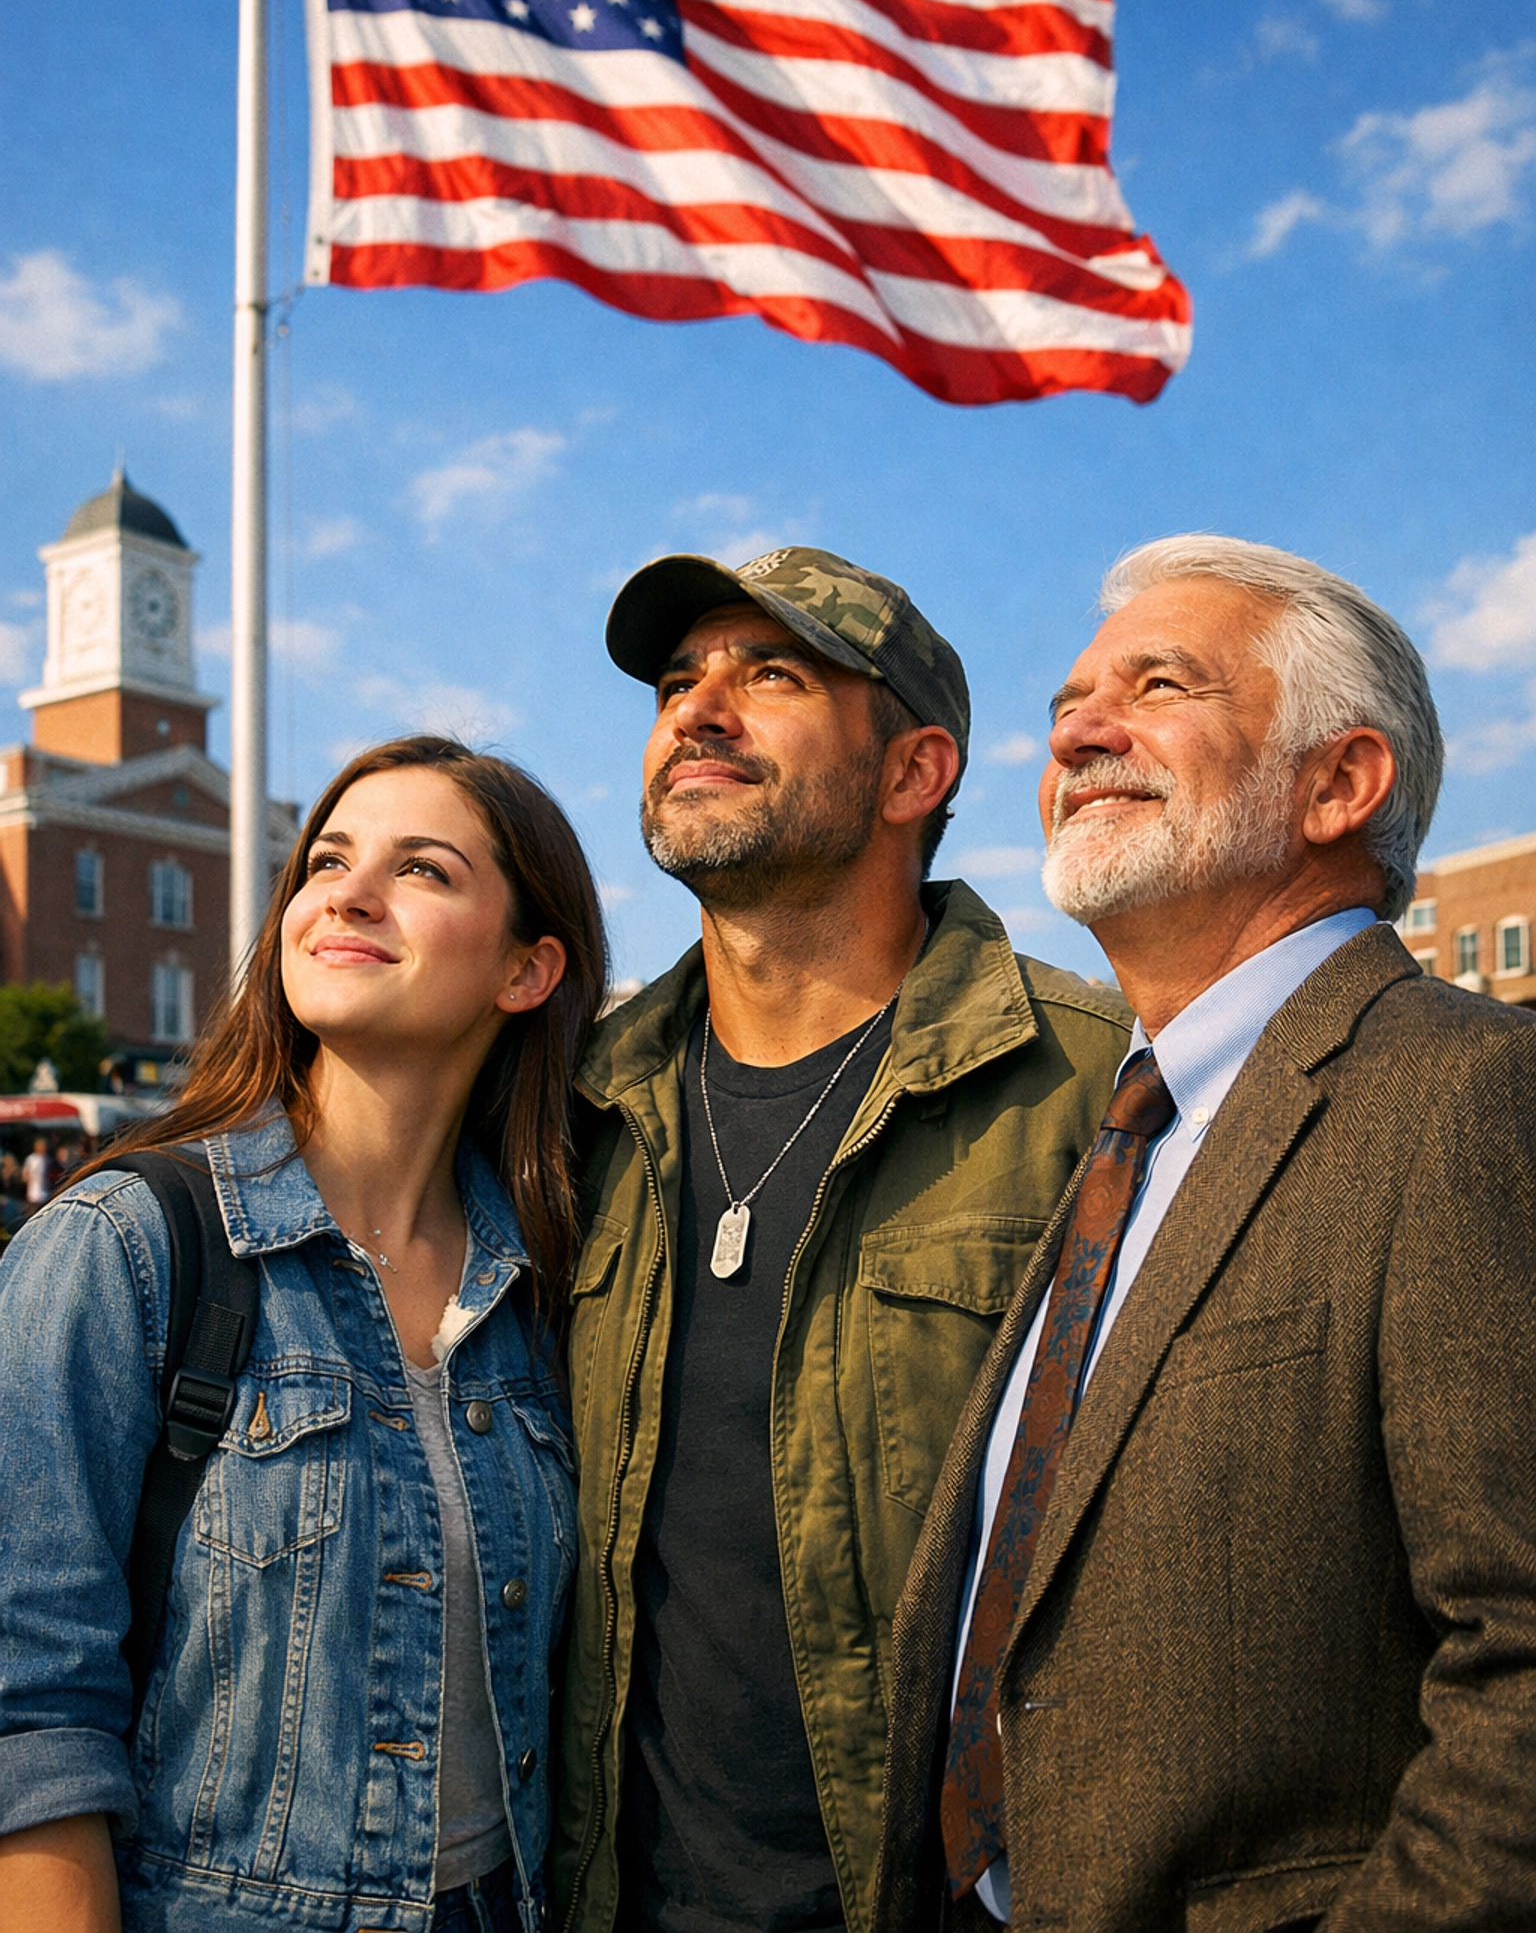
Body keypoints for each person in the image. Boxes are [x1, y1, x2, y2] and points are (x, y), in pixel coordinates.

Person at [874, 534, 1536, 1933]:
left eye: (1157, 684)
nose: (1078, 734)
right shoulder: (1131, 1134)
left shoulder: (1472, 1097)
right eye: (1067, 708)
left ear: (1340, 784)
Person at [552, 546, 1132, 1933]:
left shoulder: (1097, 1086)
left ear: (912, 775)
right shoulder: (577, 1108)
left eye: (774, 675)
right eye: (679, 680)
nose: (699, 708)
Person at [0, 735, 607, 1933]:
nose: (347, 890)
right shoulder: (125, 1245)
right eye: (326, 859)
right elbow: (30, 1704)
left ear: (529, 969)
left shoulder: (544, 1285)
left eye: (423, 870)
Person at [22, 1136, 51, 1209]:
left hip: (45, 1194)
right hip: (32, 1195)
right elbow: (25, 1175)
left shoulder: (48, 1160)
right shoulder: (30, 1159)